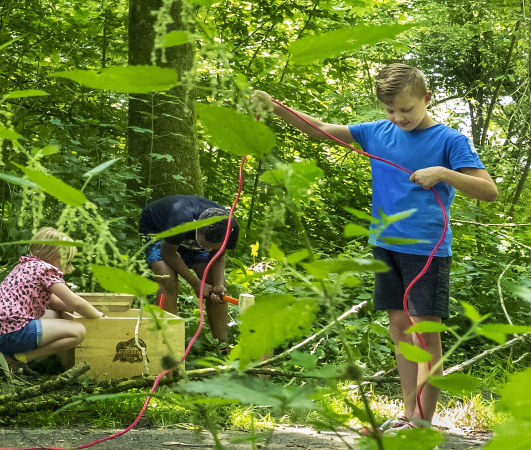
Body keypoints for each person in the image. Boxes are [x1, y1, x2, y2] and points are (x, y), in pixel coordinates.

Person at [254, 63, 498, 431]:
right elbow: (320, 129)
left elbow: (489, 191)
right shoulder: (377, 132)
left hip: (426, 248)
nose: (399, 118)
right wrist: (275, 107)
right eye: (390, 110)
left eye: (406, 109)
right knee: (399, 328)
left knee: (424, 334)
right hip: (385, 245)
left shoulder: (450, 140)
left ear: (426, 99)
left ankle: (423, 424)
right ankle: (407, 414)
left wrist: (444, 173)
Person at [0, 227, 105, 377]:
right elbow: (74, 302)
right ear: (57, 255)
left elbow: (53, 301)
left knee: (56, 315)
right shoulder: (45, 270)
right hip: (9, 331)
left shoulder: (26, 265)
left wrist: (75, 310)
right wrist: (97, 315)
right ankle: (17, 360)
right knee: (78, 332)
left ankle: (12, 355)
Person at [138, 195, 239, 345]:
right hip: (158, 229)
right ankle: (167, 344)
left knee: (216, 287)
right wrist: (196, 283)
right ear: (197, 228)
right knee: (167, 278)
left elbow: (218, 256)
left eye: (213, 247)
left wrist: (218, 284)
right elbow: (168, 253)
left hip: (188, 235)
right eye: (205, 246)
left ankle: (222, 345)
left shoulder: (231, 227)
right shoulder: (181, 219)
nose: (209, 250)